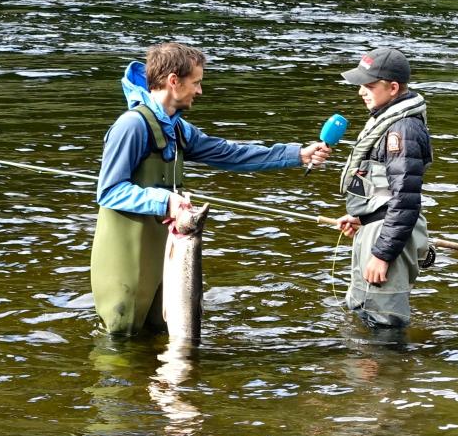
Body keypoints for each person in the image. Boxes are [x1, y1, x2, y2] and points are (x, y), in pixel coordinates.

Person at [90, 42, 331, 336]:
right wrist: (166, 201)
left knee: (159, 336)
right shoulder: (131, 126)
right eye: (196, 82)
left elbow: (231, 154)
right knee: (120, 340)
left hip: (160, 255)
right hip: (124, 258)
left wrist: (297, 155)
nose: (200, 91)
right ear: (174, 81)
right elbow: (110, 191)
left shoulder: (176, 128)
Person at [335, 47, 433, 329]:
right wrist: (363, 216)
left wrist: (382, 254)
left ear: (393, 88)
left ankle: (390, 359)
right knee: (361, 310)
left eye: (369, 86)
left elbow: (405, 199)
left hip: (385, 238)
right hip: (377, 229)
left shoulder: (403, 130)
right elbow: (386, 191)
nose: (361, 92)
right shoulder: (388, 121)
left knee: (384, 323)